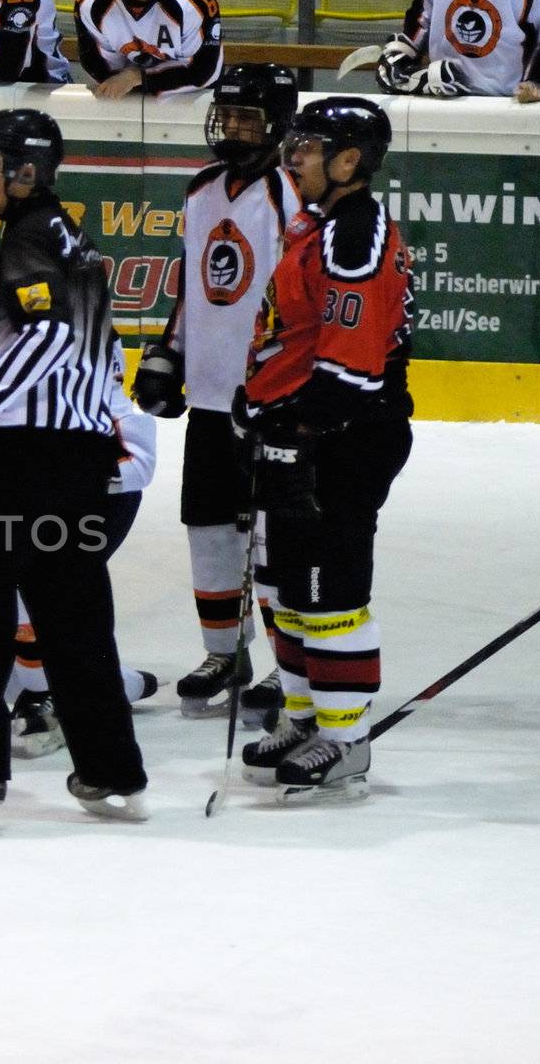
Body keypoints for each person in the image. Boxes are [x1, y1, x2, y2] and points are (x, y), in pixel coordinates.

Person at [0, 109, 148, 836]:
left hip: (14, 460)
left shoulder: (25, 238)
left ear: (23, 169)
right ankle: (113, 773)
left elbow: (45, 334)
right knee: (76, 620)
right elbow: (62, 345)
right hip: (75, 459)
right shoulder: (69, 238)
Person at [235, 97, 414, 804]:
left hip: (347, 436)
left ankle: (344, 737)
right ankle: (305, 715)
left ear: (349, 161)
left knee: (329, 588)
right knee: (283, 583)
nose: (292, 156)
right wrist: (265, 406)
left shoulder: (357, 233)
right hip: (304, 431)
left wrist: (300, 424)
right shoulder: (317, 224)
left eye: (308, 146)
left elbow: (353, 364)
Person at [0, 307, 160, 758]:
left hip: (96, 488)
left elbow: (134, 448)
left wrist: (74, 484)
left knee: (35, 597)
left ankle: (50, 699)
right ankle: (117, 686)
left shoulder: (78, 347)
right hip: (19, 481)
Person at [132, 63, 302, 723]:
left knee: (267, 537)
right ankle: (224, 652)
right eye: (226, 116)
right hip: (207, 396)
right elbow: (192, 286)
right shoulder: (200, 190)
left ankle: (291, 664)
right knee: (207, 525)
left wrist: (277, 383)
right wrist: (166, 352)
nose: (231, 129)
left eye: (247, 119)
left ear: (278, 124)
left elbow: (295, 301)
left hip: (267, 400)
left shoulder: (291, 197)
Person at [375, 0, 540, 101]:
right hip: (442, 99)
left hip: (508, 106)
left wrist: (537, 80)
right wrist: (400, 52)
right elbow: (421, 15)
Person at [76, 0, 224, 99]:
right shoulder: (90, 2)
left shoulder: (195, 1)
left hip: (195, 95)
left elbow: (203, 71)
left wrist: (136, 77)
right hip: (126, 97)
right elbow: (98, 67)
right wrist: (132, 80)